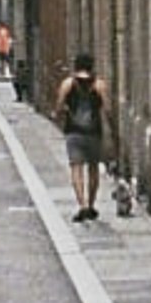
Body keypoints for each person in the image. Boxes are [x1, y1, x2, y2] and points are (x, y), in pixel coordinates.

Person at [56, 53, 107, 221]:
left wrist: (63, 114)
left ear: (76, 66)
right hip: (94, 132)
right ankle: (92, 204)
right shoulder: (99, 84)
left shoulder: (68, 84)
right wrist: (112, 132)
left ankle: (82, 204)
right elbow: (106, 109)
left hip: (74, 131)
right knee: (93, 168)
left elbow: (59, 106)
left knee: (76, 168)